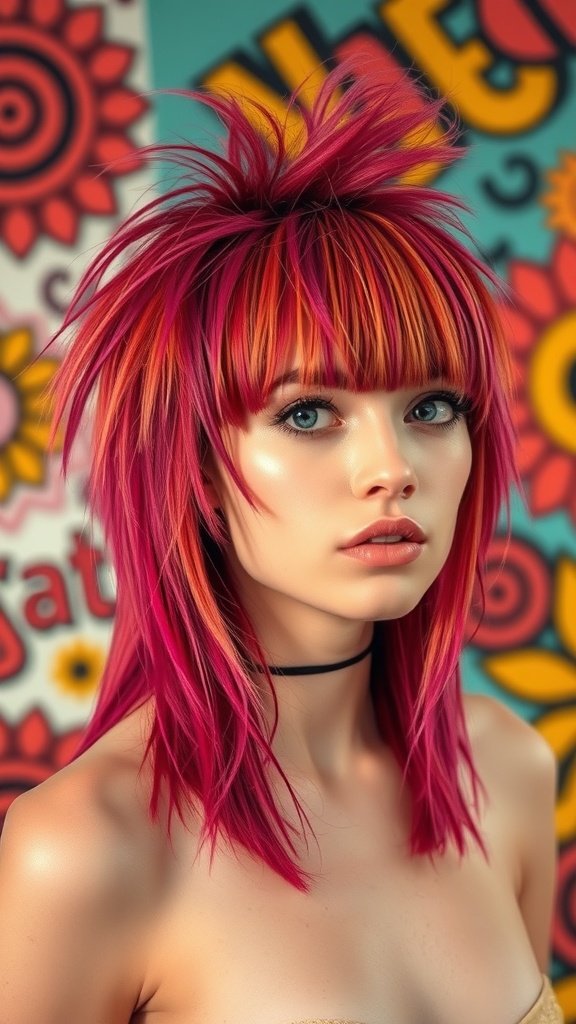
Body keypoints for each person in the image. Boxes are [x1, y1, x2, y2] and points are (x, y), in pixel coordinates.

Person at [0, 58, 562, 1024]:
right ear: (195, 465)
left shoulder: (506, 771)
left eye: (432, 405)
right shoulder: (86, 848)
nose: (392, 468)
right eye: (308, 415)